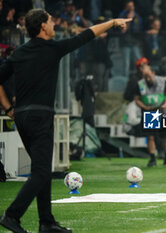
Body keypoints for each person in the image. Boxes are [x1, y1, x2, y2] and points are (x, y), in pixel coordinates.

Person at [0, 9, 131, 233]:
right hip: (41, 116)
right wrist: (112, 22)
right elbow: (87, 35)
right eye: (50, 21)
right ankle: (12, 216)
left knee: (41, 169)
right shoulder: (53, 48)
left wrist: (9, 108)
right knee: (41, 172)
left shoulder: (19, 53)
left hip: (22, 116)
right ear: (42, 26)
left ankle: (46, 222)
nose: (53, 24)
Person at [134, 64, 166, 167]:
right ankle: (152, 158)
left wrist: (165, 105)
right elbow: (137, 99)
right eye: (145, 76)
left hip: (162, 111)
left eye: (149, 75)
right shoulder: (140, 84)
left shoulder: (162, 81)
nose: (147, 78)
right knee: (150, 136)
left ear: (153, 73)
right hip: (149, 112)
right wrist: (145, 107)